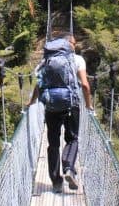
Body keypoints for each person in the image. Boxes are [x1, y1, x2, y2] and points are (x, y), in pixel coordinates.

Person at [29, 33, 93, 194]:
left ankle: (56, 182)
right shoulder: (77, 60)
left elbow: (39, 84)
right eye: (74, 43)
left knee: (53, 144)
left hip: (51, 106)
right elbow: (85, 85)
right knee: (72, 139)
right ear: (69, 44)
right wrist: (89, 105)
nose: (75, 46)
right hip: (71, 105)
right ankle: (69, 168)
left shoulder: (46, 60)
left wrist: (32, 102)